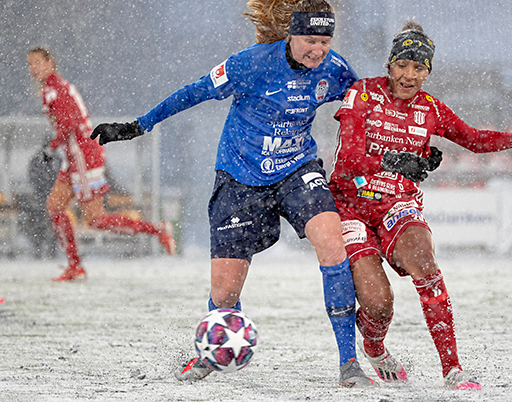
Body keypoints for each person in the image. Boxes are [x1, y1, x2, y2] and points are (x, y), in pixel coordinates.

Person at [91, 0, 375, 388]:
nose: (318, 50)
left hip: (297, 169)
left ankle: (349, 364)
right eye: (310, 40)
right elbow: (195, 92)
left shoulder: (336, 69)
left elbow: (373, 108)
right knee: (224, 293)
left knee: (332, 242)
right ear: (291, 34)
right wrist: (139, 125)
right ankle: (213, 353)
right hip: (240, 179)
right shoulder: (250, 63)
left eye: (325, 41)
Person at [328, 21, 512, 390]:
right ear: (390, 65)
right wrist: (394, 161)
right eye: (403, 65)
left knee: (425, 261)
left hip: (396, 203)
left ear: (428, 72)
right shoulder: (362, 94)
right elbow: (347, 161)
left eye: (419, 68)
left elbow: (474, 139)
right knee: (379, 304)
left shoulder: (430, 108)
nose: (409, 75)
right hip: (351, 206)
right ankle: (374, 344)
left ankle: (452, 370)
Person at [26, 47, 176, 282]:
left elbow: (70, 124)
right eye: (30, 64)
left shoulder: (54, 89)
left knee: (95, 220)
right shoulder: (54, 87)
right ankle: (75, 267)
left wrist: (50, 148)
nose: (33, 68)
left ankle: (157, 230)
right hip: (74, 156)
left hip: (83, 156)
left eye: (37, 62)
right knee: (55, 206)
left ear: (50, 63)